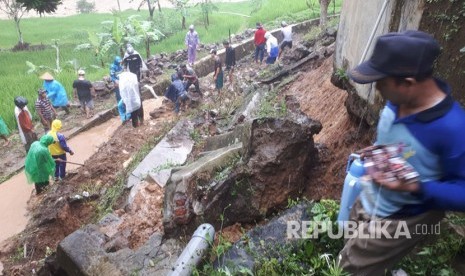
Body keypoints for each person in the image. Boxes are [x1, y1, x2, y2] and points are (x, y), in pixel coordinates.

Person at [339, 30, 465, 275]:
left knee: (346, 269)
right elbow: (400, 140)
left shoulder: (453, 128)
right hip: (371, 195)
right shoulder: (398, 99)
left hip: (401, 216)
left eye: (380, 82)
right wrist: (381, 149)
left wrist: (416, 187)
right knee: (352, 243)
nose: (376, 89)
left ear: (407, 83)